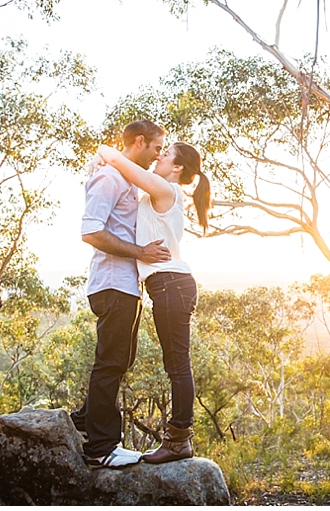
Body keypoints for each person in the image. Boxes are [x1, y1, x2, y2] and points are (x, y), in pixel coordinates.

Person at [95, 140, 210, 464]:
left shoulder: (165, 189)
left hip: (171, 284)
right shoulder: (163, 191)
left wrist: (103, 153)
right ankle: (177, 438)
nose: (159, 156)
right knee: (175, 364)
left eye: (166, 153)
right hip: (167, 286)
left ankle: (178, 440)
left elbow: (119, 161)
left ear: (177, 167)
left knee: (177, 365)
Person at [72, 120, 171, 469]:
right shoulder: (109, 178)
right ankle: (100, 448)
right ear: (140, 142)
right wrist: (139, 251)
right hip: (112, 283)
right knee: (111, 362)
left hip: (127, 286)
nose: (159, 154)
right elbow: (91, 232)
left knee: (121, 360)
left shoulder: (123, 176)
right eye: (157, 148)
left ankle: (84, 421)